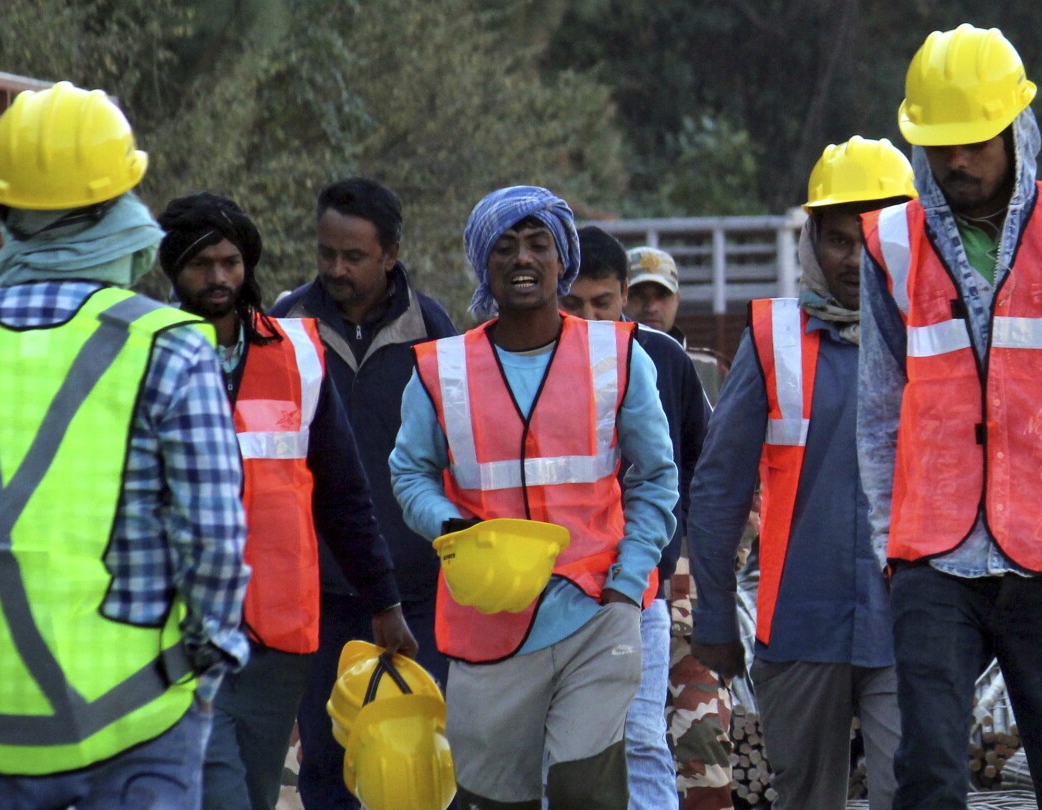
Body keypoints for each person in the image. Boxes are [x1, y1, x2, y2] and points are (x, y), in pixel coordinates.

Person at [0, 82, 249, 809]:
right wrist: (205, 667)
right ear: (118, 206)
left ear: (4, 214)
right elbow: (215, 544)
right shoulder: (169, 349)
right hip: (142, 716)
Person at [858, 25, 1042, 810]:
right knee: (928, 772)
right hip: (935, 556)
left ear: (1016, 130)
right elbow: (880, 407)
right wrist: (892, 541)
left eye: (976, 142)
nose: (958, 162)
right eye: (942, 144)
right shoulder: (891, 245)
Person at [390, 185, 678, 808]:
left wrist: (629, 586)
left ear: (561, 259)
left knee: (586, 792)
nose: (522, 259)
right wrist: (451, 528)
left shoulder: (618, 354)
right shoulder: (442, 369)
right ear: (483, 264)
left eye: (537, 245)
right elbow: (408, 473)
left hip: (597, 612)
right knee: (493, 800)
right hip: (486, 624)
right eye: (505, 247)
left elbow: (656, 477)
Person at [157, 192, 417, 810]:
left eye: (229, 262)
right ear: (172, 270)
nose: (218, 278)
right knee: (216, 792)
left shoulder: (300, 355)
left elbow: (343, 495)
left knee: (251, 789)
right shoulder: (147, 353)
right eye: (200, 265)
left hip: (277, 638)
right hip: (178, 632)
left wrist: (384, 602)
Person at [689, 137, 917, 810]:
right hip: (798, 625)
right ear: (814, 240)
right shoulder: (773, 338)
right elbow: (718, 488)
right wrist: (712, 616)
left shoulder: (937, 339)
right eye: (840, 240)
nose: (857, 259)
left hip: (912, 621)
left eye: (874, 238)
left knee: (918, 792)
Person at [271, 177, 456, 809]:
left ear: (391, 253)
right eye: (327, 254)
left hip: (418, 586)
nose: (337, 269)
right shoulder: (286, 326)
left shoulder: (433, 329)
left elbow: (454, 448)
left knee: (421, 755)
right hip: (318, 588)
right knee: (327, 758)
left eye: (354, 256)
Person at [563, 226, 711, 808]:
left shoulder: (664, 358)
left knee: (644, 739)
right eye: (575, 304)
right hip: (553, 587)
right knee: (565, 745)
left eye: (604, 302)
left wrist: (669, 547)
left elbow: (699, 457)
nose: (592, 317)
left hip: (640, 586)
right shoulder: (535, 361)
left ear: (624, 294)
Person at [624, 246, 726, 402]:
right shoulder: (604, 367)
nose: (651, 307)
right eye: (637, 295)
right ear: (620, 298)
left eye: (662, 295)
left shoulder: (711, 369)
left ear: (677, 298)